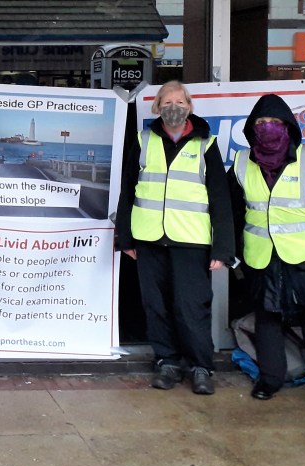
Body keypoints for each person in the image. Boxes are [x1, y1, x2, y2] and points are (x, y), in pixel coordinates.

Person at [228, 93, 305, 400]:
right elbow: (231, 211)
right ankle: (270, 379)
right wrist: (235, 252)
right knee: (267, 316)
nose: (267, 127)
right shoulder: (242, 162)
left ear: (288, 126)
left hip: (303, 256)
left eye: (274, 121)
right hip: (260, 255)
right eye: (261, 121)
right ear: (251, 127)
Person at [115, 80, 234, 395]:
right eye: (166, 102)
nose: (173, 108)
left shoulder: (206, 144)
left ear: (189, 107)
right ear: (156, 107)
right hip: (149, 240)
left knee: (191, 307)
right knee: (156, 306)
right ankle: (166, 362)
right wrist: (125, 238)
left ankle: (200, 367)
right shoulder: (143, 141)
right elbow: (127, 191)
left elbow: (221, 200)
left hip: (191, 242)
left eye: (180, 102)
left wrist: (222, 248)